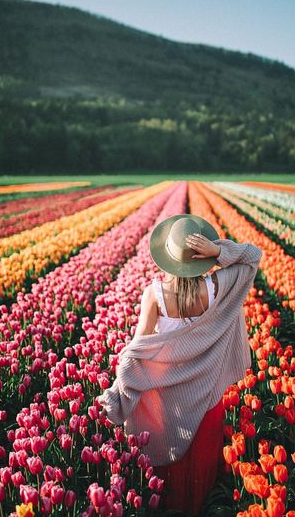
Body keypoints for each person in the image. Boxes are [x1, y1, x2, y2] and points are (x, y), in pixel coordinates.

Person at [97, 214, 262, 515]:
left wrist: (118, 390)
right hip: (207, 391)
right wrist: (218, 252)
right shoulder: (218, 288)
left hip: (166, 393)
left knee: (168, 459)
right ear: (200, 258)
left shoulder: (155, 294)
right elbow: (253, 256)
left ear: (167, 257)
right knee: (200, 461)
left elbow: (139, 348)